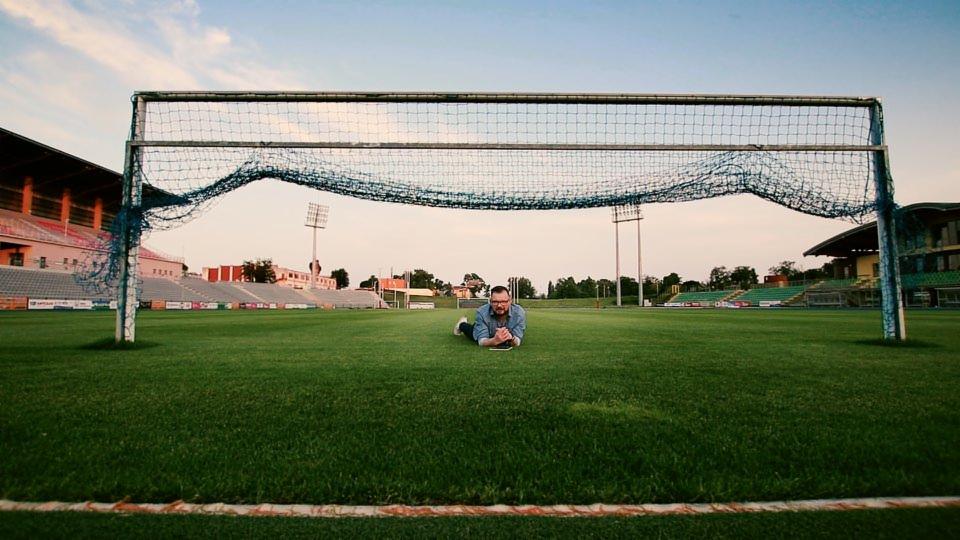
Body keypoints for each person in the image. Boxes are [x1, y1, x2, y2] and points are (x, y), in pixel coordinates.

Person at [454, 285, 526, 348]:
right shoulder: (482, 312)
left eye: (503, 301)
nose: (499, 305)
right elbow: (481, 341)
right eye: (495, 302)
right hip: (483, 330)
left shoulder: (519, 313)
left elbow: (517, 341)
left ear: (510, 301)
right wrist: (494, 341)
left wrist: (511, 338)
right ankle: (461, 324)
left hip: (501, 335)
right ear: (490, 301)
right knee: (472, 332)